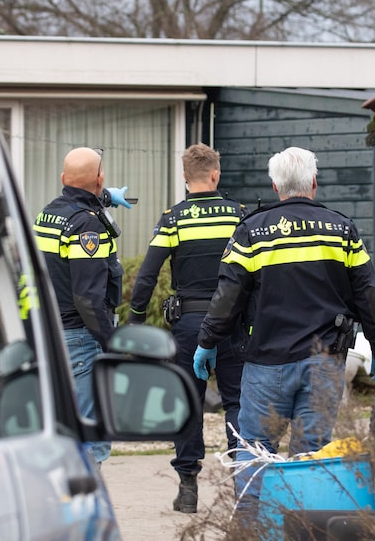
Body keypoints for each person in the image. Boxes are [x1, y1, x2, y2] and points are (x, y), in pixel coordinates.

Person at [193, 146, 375, 517]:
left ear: (274, 186)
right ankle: (303, 529)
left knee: (255, 455)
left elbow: (227, 297)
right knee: (312, 458)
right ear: (314, 183)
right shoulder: (341, 229)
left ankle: (251, 531)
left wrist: (207, 342)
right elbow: (369, 296)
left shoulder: (251, 230)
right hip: (324, 365)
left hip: (267, 364)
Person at [127, 143, 246, 514]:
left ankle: (188, 488)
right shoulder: (238, 216)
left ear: (184, 177)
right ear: (215, 174)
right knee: (237, 402)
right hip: (233, 324)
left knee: (187, 402)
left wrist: (136, 318)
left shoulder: (173, 219)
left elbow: (148, 273)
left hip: (189, 324)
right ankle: (243, 485)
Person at [34, 147, 130, 466]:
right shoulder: (86, 226)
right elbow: (87, 298)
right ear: (100, 179)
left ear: (63, 179)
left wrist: (102, 201)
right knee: (90, 438)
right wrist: (110, 342)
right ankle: (85, 508)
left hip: (51, 333)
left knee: (62, 429)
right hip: (80, 337)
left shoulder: (46, 215)